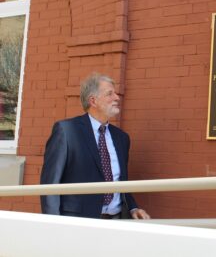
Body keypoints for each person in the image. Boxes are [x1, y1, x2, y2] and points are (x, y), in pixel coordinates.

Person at [40, 73, 150, 220]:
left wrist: (132, 207)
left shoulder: (122, 138)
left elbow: (120, 181)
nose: (117, 97)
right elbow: (50, 184)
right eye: (109, 94)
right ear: (93, 101)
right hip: (78, 221)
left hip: (116, 220)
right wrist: (52, 222)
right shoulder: (67, 131)